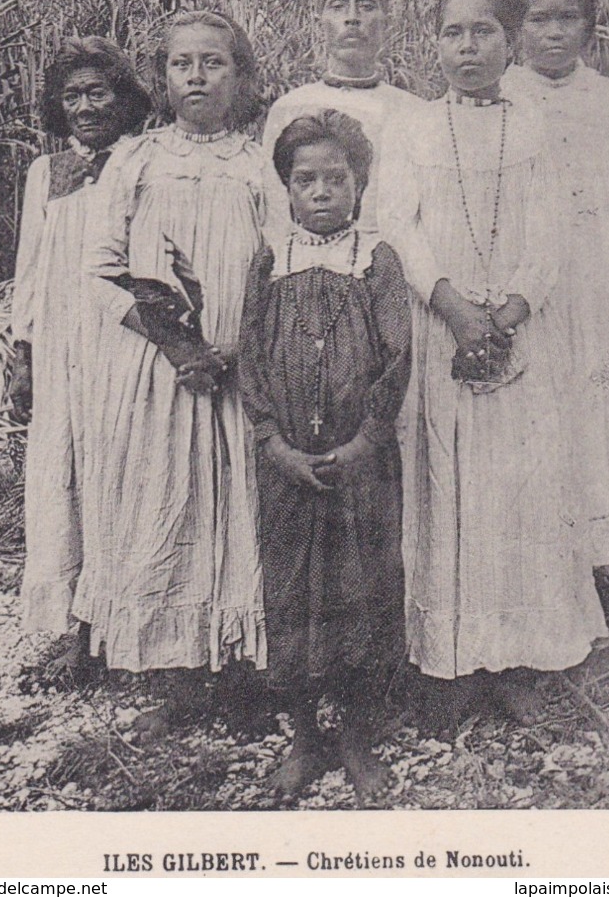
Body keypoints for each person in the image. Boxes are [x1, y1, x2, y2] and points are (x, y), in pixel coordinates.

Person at [378, 0, 607, 730]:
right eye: (452, 33)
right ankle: (450, 665)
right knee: (446, 490)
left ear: (508, 43)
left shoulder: (533, 125)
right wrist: (452, 307)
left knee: (520, 493)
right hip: (440, 327)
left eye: (483, 32)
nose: (468, 47)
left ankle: (520, 660)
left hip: (521, 335)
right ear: (433, 42)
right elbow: (399, 227)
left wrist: (506, 312)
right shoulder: (412, 129)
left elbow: (553, 233)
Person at [77, 11, 266, 736]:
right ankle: (178, 679)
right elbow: (98, 273)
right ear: (161, 79)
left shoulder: (255, 165)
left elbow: (275, 265)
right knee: (168, 504)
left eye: (213, 63)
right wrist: (175, 344)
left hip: (235, 372)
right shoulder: (136, 160)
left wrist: (236, 349)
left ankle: (242, 674)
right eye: (182, 64)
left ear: (239, 76)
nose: (197, 76)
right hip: (159, 372)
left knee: (236, 509)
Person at [239, 110, 410, 805]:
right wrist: (274, 444)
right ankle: (305, 735)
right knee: (291, 592)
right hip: (287, 466)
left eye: (334, 178)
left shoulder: (376, 259)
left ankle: (357, 735)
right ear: (284, 188)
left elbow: (396, 356)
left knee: (359, 587)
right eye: (303, 179)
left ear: (359, 184)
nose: (319, 191)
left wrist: (363, 440)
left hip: (360, 463)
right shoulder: (267, 261)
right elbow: (249, 360)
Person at [9, 37, 152, 671]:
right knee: (62, 474)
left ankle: (128, 621)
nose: (87, 106)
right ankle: (78, 631)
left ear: (124, 99)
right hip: (62, 346)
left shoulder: (143, 161)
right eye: (73, 96)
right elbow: (32, 268)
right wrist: (23, 348)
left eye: (99, 92)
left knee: (121, 472)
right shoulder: (46, 172)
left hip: (122, 340)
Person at [503, 0, 609, 601]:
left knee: (606, 406)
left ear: (587, 25)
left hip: (604, 275)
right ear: (518, 28)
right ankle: (554, 564)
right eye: (538, 19)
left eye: (567, 19)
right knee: (545, 412)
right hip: (532, 283)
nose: (553, 33)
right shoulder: (499, 96)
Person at [262, 0, 421, 239]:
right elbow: (277, 213)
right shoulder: (289, 108)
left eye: (366, 5)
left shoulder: (413, 111)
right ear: (319, 21)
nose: (352, 18)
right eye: (338, 6)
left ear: (388, 20)